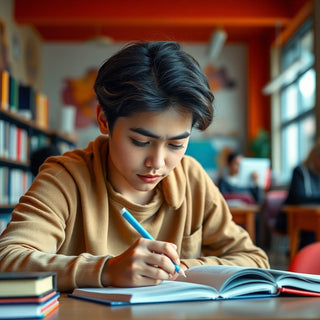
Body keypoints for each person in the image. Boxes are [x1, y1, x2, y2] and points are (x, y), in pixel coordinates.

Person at [0, 41, 269, 292]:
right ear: (104, 120)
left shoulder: (191, 178)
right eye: (140, 141)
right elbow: (8, 259)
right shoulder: (65, 178)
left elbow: (255, 260)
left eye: (176, 145)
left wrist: (186, 268)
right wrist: (106, 270)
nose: (158, 162)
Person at [275, 140, 320, 248]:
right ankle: (306, 258)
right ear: (316, 157)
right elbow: (299, 198)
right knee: (310, 231)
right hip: (292, 217)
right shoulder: (300, 171)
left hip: (314, 216)